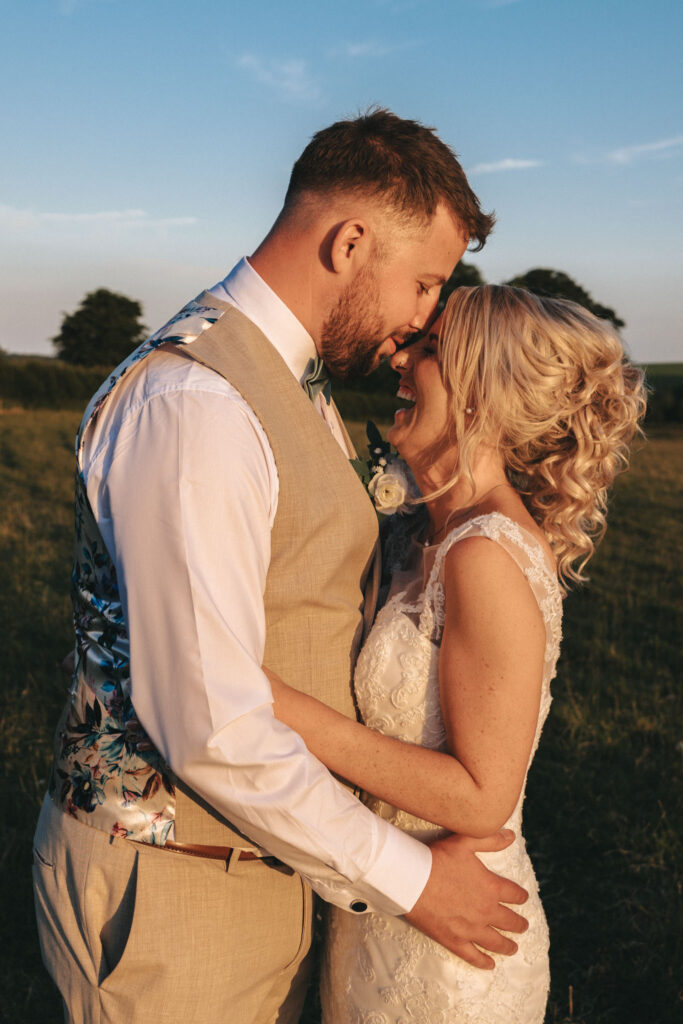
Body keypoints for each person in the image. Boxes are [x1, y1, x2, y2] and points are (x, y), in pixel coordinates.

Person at [32, 111, 530, 1024]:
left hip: (267, 875)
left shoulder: (288, 382)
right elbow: (208, 716)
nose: (422, 320)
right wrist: (412, 880)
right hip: (174, 890)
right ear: (350, 242)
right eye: (422, 284)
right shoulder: (197, 404)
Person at [266, 284, 647, 1023]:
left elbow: (482, 794)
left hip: (451, 947)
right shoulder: (426, 536)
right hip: (385, 910)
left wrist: (274, 705)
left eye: (431, 350)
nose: (400, 361)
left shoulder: (485, 555)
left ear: (481, 393)